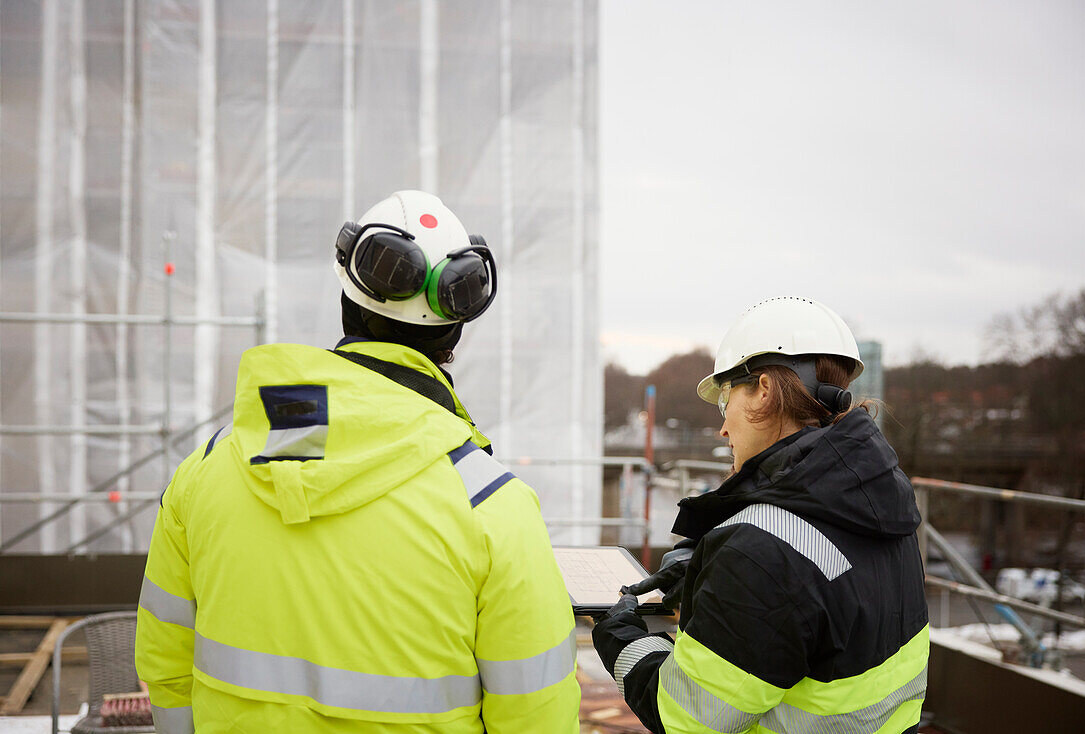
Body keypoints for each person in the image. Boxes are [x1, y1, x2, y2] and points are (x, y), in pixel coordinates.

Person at [136, 190, 580, 733]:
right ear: (456, 325)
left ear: (347, 297)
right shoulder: (491, 507)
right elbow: (535, 715)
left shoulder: (210, 467)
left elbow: (166, 664)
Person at [591, 296, 928, 734]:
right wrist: (712, 567)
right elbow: (826, 588)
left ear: (764, 391)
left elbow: (686, 717)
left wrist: (620, 636)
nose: (723, 427)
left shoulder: (760, 553)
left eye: (724, 402)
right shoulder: (881, 506)